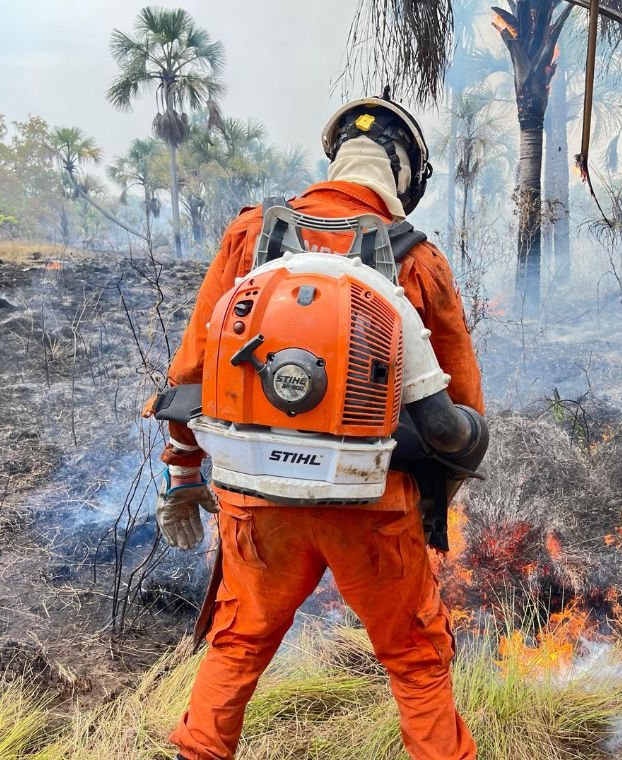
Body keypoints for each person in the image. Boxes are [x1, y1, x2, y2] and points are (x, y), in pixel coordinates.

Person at [150, 93, 485, 760]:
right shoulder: (416, 259)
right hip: (374, 504)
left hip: (256, 500)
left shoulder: (250, 237)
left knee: (238, 644)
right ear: (405, 173)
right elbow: (459, 414)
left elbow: (191, 373)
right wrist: (434, 504)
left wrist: (183, 475)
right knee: (416, 662)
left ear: (335, 158)